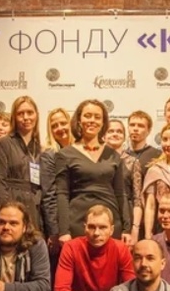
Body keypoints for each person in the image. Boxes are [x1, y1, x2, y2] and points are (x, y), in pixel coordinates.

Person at [55, 99, 131, 243]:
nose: (92, 120)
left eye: (97, 117)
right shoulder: (64, 155)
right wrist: (64, 231)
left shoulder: (113, 155)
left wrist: (127, 228)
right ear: (79, 120)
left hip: (110, 222)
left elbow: (121, 193)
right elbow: (62, 194)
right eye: (87, 116)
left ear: (103, 123)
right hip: (78, 222)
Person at [52, 206, 135, 291]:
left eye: (102, 227)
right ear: (84, 227)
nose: (96, 233)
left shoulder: (121, 249)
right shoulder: (71, 247)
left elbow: (131, 288)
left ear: (111, 230)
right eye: (91, 227)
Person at [0, 96, 44, 232]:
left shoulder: (39, 148)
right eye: (21, 113)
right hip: (12, 205)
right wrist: (5, 215)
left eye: (30, 113)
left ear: (36, 115)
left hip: (35, 209)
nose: (26, 117)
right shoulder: (2, 145)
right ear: (14, 117)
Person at [106, 118, 143, 245]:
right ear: (103, 135)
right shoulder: (98, 161)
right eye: (110, 131)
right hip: (104, 213)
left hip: (126, 215)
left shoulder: (133, 162)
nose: (115, 134)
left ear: (124, 136)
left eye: (119, 131)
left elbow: (137, 199)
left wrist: (135, 229)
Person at [41, 107, 73, 251]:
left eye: (63, 123)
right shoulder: (49, 154)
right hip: (61, 223)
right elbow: (49, 195)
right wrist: (54, 231)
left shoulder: (81, 150)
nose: (60, 128)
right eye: (54, 126)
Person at [125, 110, 162, 175]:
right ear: (128, 127)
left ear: (149, 130)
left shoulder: (157, 155)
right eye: (132, 125)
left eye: (140, 126)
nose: (135, 129)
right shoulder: (122, 155)